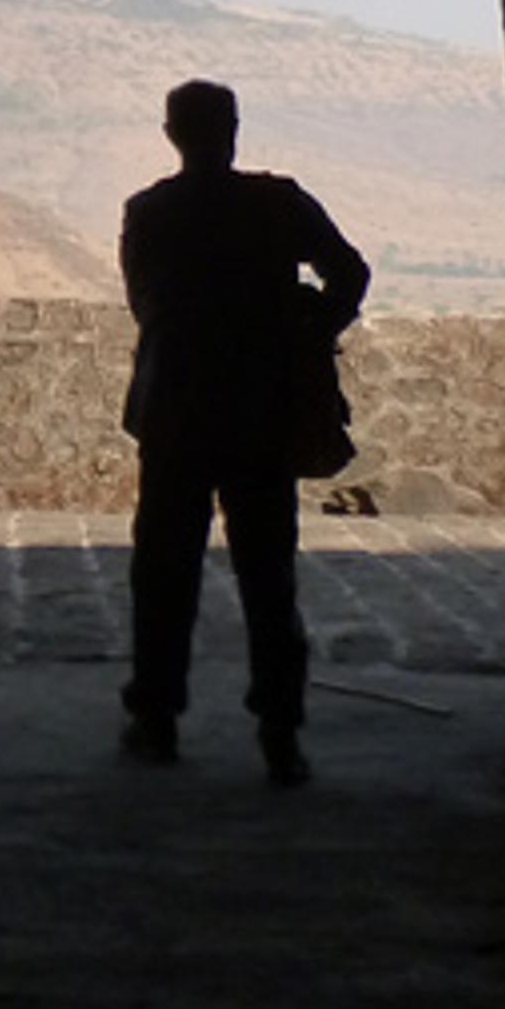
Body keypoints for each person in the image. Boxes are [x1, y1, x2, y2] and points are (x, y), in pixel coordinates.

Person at [115, 78, 369, 780]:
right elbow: (349, 273)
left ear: (172, 133)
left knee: (164, 570)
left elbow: (147, 307)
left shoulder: (150, 212)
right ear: (234, 128)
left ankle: (156, 717)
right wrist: (310, 326)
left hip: (175, 413)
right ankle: (280, 733)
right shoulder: (279, 203)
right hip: (261, 411)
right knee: (268, 572)